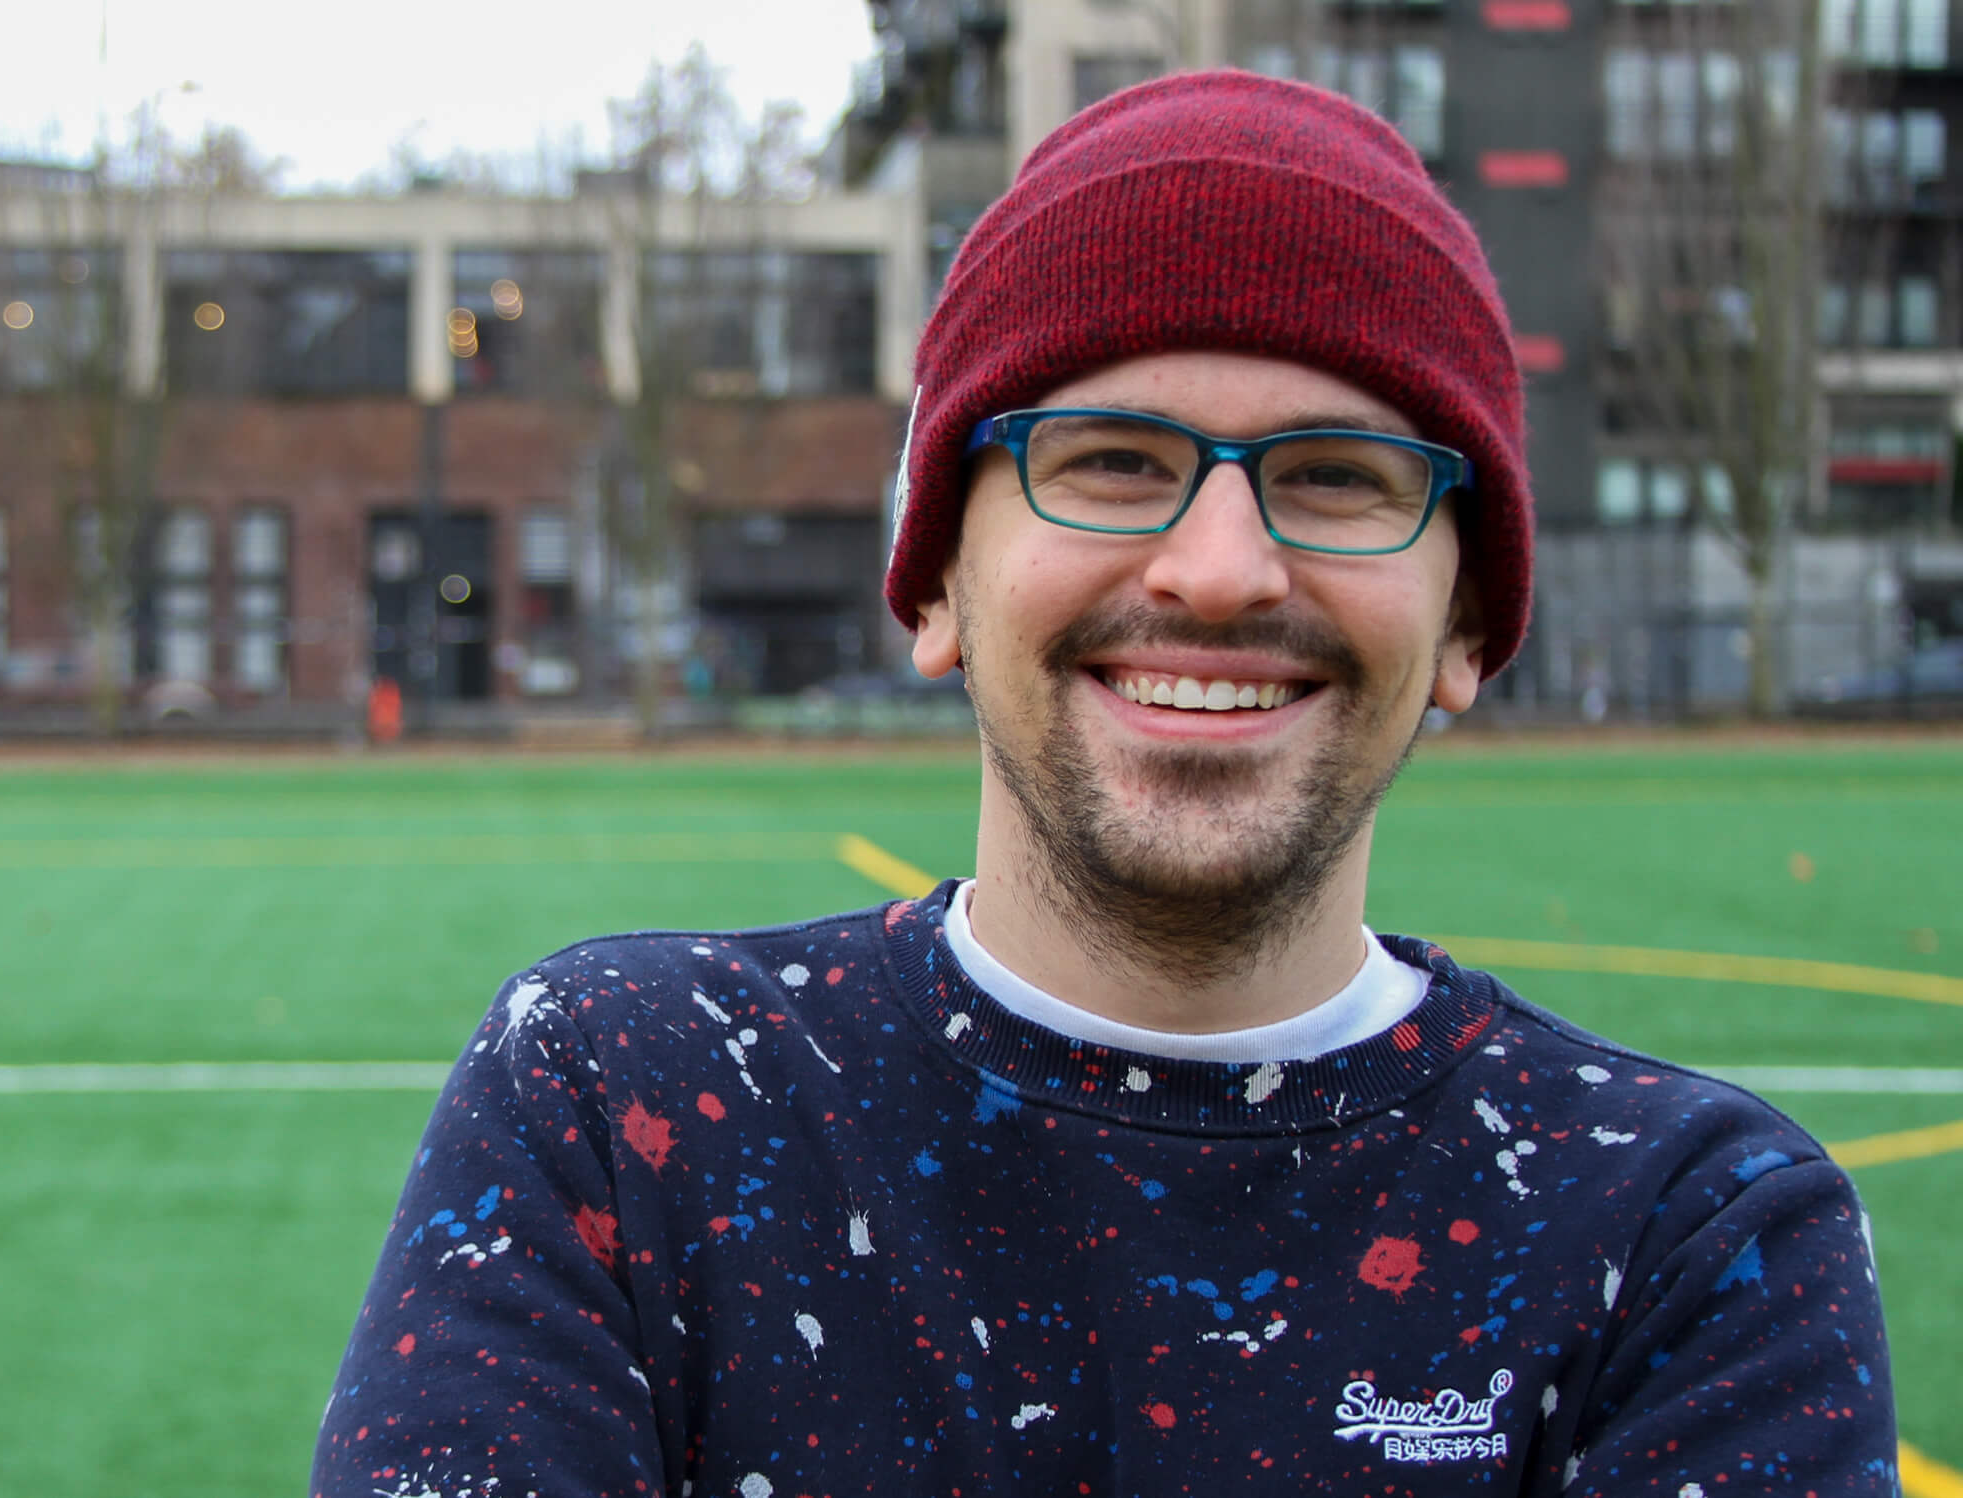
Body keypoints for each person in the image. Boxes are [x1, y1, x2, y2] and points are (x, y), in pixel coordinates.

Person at [312, 73, 1895, 1497]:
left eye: (1338, 476)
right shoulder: (629, 1104)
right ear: (933, 579)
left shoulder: (1692, 1237)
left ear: (1472, 619)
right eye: (1112, 459)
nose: (1219, 570)